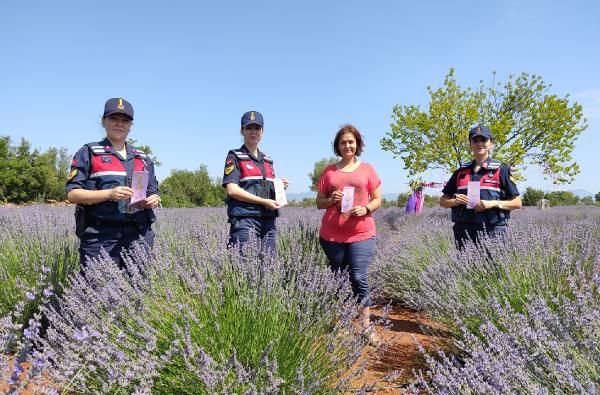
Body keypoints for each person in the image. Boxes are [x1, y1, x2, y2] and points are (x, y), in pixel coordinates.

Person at [66, 98, 160, 268]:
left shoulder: (143, 158)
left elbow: (153, 191)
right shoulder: (89, 152)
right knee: (97, 289)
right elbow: (72, 194)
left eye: (125, 121)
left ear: (131, 125)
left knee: (138, 290)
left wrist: (154, 199)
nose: (119, 124)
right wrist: (109, 194)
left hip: (138, 234)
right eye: (113, 119)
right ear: (103, 121)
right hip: (101, 235)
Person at [315, 124, 382, 344]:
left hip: (361, 233)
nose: (347, 145)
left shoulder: (367, 170)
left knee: (358, 277)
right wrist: (330, 200)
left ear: (357, 145)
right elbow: (319, 203)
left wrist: (366, 209)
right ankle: (343, 324)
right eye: (343, 142)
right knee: (340, 279)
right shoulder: (329, 172)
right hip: (332, 235)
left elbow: (378, 199)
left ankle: (366, 326)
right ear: (338, 146)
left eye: (351, 141)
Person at [439, 125, 522, 249]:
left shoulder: (501, 169)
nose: (479, 144)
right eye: (475, 140)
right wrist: (455, 201)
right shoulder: (460, 172)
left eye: (483, 140)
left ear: (491, 143)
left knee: (492, 268)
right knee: (464, 267)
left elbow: (517, 202)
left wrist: (493, 203)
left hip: (493, 231)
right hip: (463, 231)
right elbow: (442, 201)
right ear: (470, 145)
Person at [222, 111, 288, 251]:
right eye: (249, 128)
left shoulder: (267, 160)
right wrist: (263, 201)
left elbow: (264, 192)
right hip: (245, 220)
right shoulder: (234, 156)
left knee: (269, 269)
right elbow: (232, 190)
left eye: (257, 128)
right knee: (243, 270)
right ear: (242, 131)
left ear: (262, 132)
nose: (253, 131)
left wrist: (279, 188)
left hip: (268, 222)